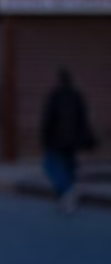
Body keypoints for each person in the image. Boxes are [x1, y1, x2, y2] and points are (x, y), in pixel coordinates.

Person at [41, 69, 96, 214]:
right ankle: (66, 198)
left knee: (50, 166)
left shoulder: (55, 95)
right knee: (69, 167)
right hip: (73, 141)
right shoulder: (77, 95)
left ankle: (67, 192)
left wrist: (44, 138)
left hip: (56, 141)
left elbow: (48, 119)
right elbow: (83, 119)